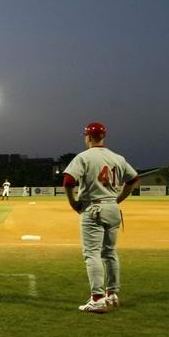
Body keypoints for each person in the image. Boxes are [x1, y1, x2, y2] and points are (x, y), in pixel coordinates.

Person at [63, 122, 139, 314]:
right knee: (110, 252)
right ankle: (112, 294)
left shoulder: (84, 157)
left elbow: (68, 181)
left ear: (88, 137)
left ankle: (97, 299)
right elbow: (133, 179)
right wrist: (119, 198)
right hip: (113, 208)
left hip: (93, 208)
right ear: (103, 137)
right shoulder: (117, 157)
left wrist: (73, 203)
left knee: (92, 254)